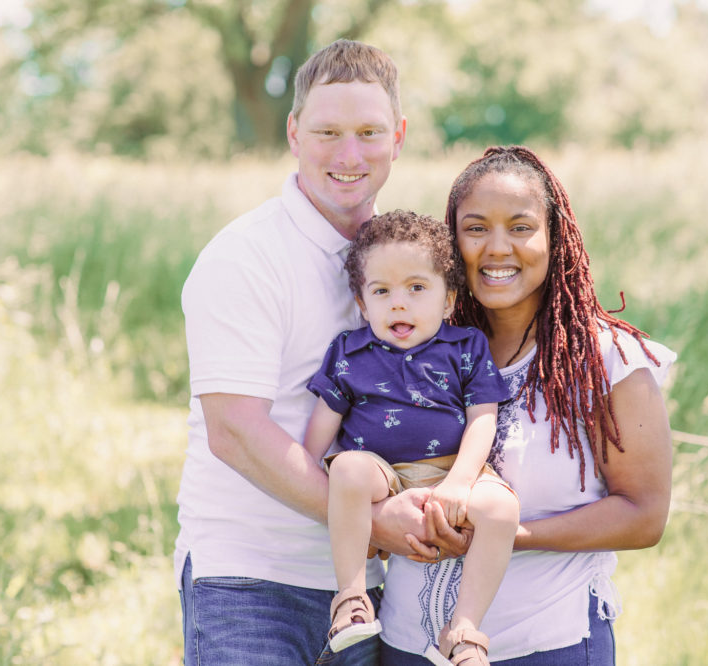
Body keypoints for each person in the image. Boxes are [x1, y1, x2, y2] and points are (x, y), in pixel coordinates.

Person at [377, 146, 677, 665]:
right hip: (404, 645)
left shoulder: (606, 360)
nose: (497, 248)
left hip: (546, 645)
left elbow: (644, 515)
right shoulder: (413, 349)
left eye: (520, 227)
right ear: (452, 244)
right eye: (475, 228)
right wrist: (386, 520)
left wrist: (505, 536)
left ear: (554, 239)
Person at [174, 39, 408, 665]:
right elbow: (235, 432)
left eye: (369, 132)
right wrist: (376, 528)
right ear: (293, 132)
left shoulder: (412, 262)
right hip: (251, 581)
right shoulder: (245, 256)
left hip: (379, 591)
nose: (349, 154)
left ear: (399, 136)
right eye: (327, 132)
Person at [302, 211, 519, 664]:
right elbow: (320, 433)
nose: (398, 304)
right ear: (362, 304)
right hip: (385, 474)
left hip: (451, 468)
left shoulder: (465, 347)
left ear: (447, 300)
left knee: (501, 508)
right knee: (347, 467)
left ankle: (464, 629)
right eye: (381, 292)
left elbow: (483, 417)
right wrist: (307, 470)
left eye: (417, 288)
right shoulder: (349, 352)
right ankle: (352, 599)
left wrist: (461, 481)